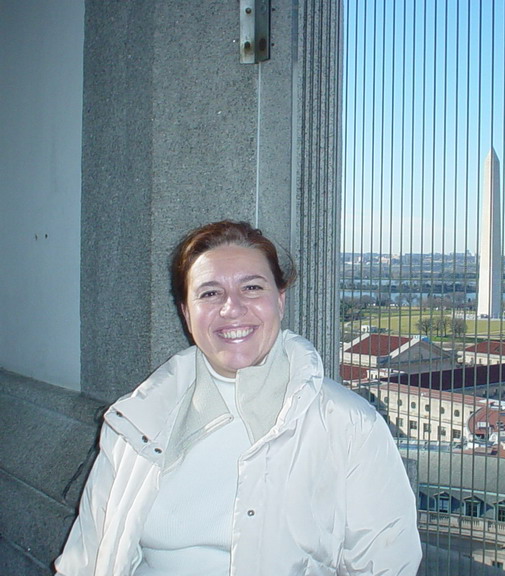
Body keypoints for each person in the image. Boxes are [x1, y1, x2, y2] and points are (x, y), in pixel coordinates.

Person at [55, 220, 422, 576]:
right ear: (186, 312)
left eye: (251, 288)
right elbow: (84, 561)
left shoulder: (349, 425)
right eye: (210, 293)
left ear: (280, 300)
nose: (231, 308)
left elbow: (385, 565)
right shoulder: (136, 422)